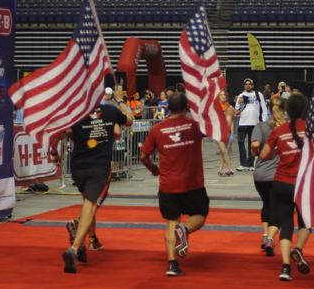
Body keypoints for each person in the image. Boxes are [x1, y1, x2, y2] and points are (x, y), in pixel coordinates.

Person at [138, 93, 209, 276]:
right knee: (199, 215)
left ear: (167, 107)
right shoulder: (195, 126)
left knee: (171, 222)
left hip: (168, 184)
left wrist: (154, 169)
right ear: (186, 107)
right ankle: (184, 229)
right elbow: (214, 128)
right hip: (192, 183)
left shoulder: (157, 129)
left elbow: (143, 156)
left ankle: (172, 264)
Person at [62, 100, 132, 273]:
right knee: (91, 204)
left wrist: (55, 152)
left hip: (78, 166)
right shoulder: (111, 110)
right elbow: (129, 121)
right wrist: (122, 104)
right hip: (99, 167)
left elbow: (67, 132)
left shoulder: (76, 110)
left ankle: (91, 239)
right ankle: (75, 246)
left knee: (88, 202)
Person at [258, 93, 312, 282]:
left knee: (286, 224)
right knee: (305, 223)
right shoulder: (311, 130)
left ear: (287, 111)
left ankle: (286, 267)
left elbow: (263, 155)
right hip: (303, 184)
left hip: (281, 183)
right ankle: (298, 249)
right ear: (305, 110)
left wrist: (277, 149)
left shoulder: (279, 131)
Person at [251, 97, 285, 257]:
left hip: (260, 175)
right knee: (279, 208)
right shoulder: (286, 128)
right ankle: (271, 238)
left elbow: (255, 145)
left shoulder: (261, 126)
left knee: (267, 204)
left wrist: (255, 153)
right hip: (279, 175)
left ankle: (264, 236)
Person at [235, 78, 268, 171]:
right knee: (240, 142)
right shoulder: (241, 95)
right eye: (246, 84)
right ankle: (243, 164)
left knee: (252, 144)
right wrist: (241, 103)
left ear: (253, 85)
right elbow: (237, 111)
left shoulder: (258, 94)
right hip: (242, 123)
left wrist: (263, 122)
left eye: (249, 84)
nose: (248, 85)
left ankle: (250, 164)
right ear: (244, 86)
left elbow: (264, 108)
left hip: (254, 123)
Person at [215, 91, 235, 176]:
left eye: (224, 95)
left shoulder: (230, 108)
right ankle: (230, 168)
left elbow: (232, 121)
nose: (223, 96)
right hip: (218, 131)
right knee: (223, 150)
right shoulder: (216, 107)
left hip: (227, 132)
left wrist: (233, 133)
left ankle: (220, 168)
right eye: (221, 95)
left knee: (223, 151)